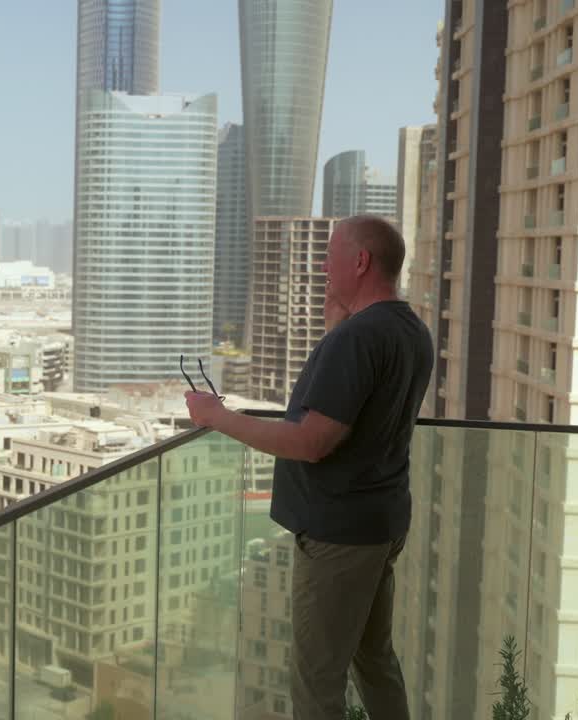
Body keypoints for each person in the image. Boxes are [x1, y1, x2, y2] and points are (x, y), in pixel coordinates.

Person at [186, 215, 433, 720]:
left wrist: (218, 416)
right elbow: (360, 411)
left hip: (338, 532)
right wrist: (333, 331)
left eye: (331, 255)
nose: (323, 266)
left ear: (360, 261)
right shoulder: (409, 330)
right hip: (380, 520)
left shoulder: (359, 338)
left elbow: (311, 440)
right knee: (374, 661)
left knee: (316, 683)